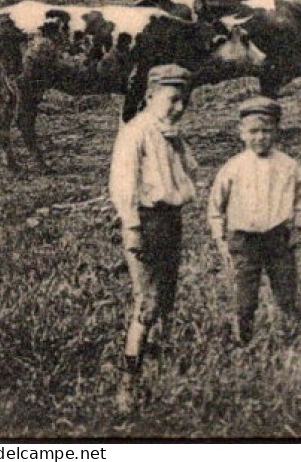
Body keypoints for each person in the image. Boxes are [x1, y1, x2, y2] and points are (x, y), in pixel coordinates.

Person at [108, 63, 198, 414]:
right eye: (173, 99)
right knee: (147, 300)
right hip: (146, 222)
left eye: (184, 102)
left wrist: (179, 144)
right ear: (150, 96)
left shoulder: (171, 132)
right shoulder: (136, 131)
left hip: (170, 220)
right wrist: (132, 228)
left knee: (167, 296)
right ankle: (128, 380)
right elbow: (123, 183)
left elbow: (191, 173)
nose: (178, 107)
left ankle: (162, 370)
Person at [206, 96, 301, 345]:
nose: (260, 137)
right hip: (244, 238)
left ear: (277, 131)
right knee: (245, 291)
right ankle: (243, 337)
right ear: (241, 133)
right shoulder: (233, 167)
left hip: (278, 236)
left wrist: (297, 225)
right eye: (253, 131)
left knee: (285, 286)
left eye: (266, 131)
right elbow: (215, 205)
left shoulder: (289, 166)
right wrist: (219, 237)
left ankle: (290, 335)